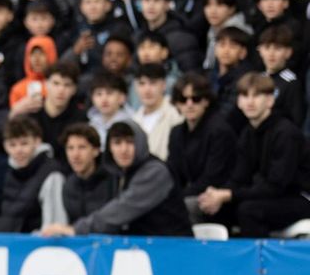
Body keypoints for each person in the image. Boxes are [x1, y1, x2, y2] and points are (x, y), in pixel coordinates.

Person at [195, 73, 310, 236]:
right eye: (244, 95)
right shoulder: (247, 133)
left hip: (300, 198)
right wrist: (217, 195)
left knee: (249, 210)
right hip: (272, 196)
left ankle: (257, 261)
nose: (250, 101)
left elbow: (276, 186)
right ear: (239, 102)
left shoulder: (286, 133)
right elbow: (239, 178)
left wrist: (228, 195)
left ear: (270, 100)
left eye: (256, 95)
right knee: (215, 208)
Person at [45, 122, 192, 237]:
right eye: (117, 143)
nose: (123, 149)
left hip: (173, 249)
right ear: (109, 147)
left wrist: (78, 229)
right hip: (145, 248)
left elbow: (123, 208)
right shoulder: (122, 174)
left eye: (130, 142)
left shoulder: (155, 171)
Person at [166, 77, 238, 222]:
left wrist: (177, 196)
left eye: (196, 98)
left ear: (206, 101)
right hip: (192, 193)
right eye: (183, 99)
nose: (189, 104)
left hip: (217, 197)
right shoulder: (177, 132)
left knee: (183, 207)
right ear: (177, 103)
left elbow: (213, 178)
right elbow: (172, 172)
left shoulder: (219, 130)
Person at [0, 116, 66, 233]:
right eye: (12, 145)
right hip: (5, 241)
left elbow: (55, 227)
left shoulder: (52, 173)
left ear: (37, 141)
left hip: (36, 245)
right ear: (5, 146)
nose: (18, 150)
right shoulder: (6, 170)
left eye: (24, 143)